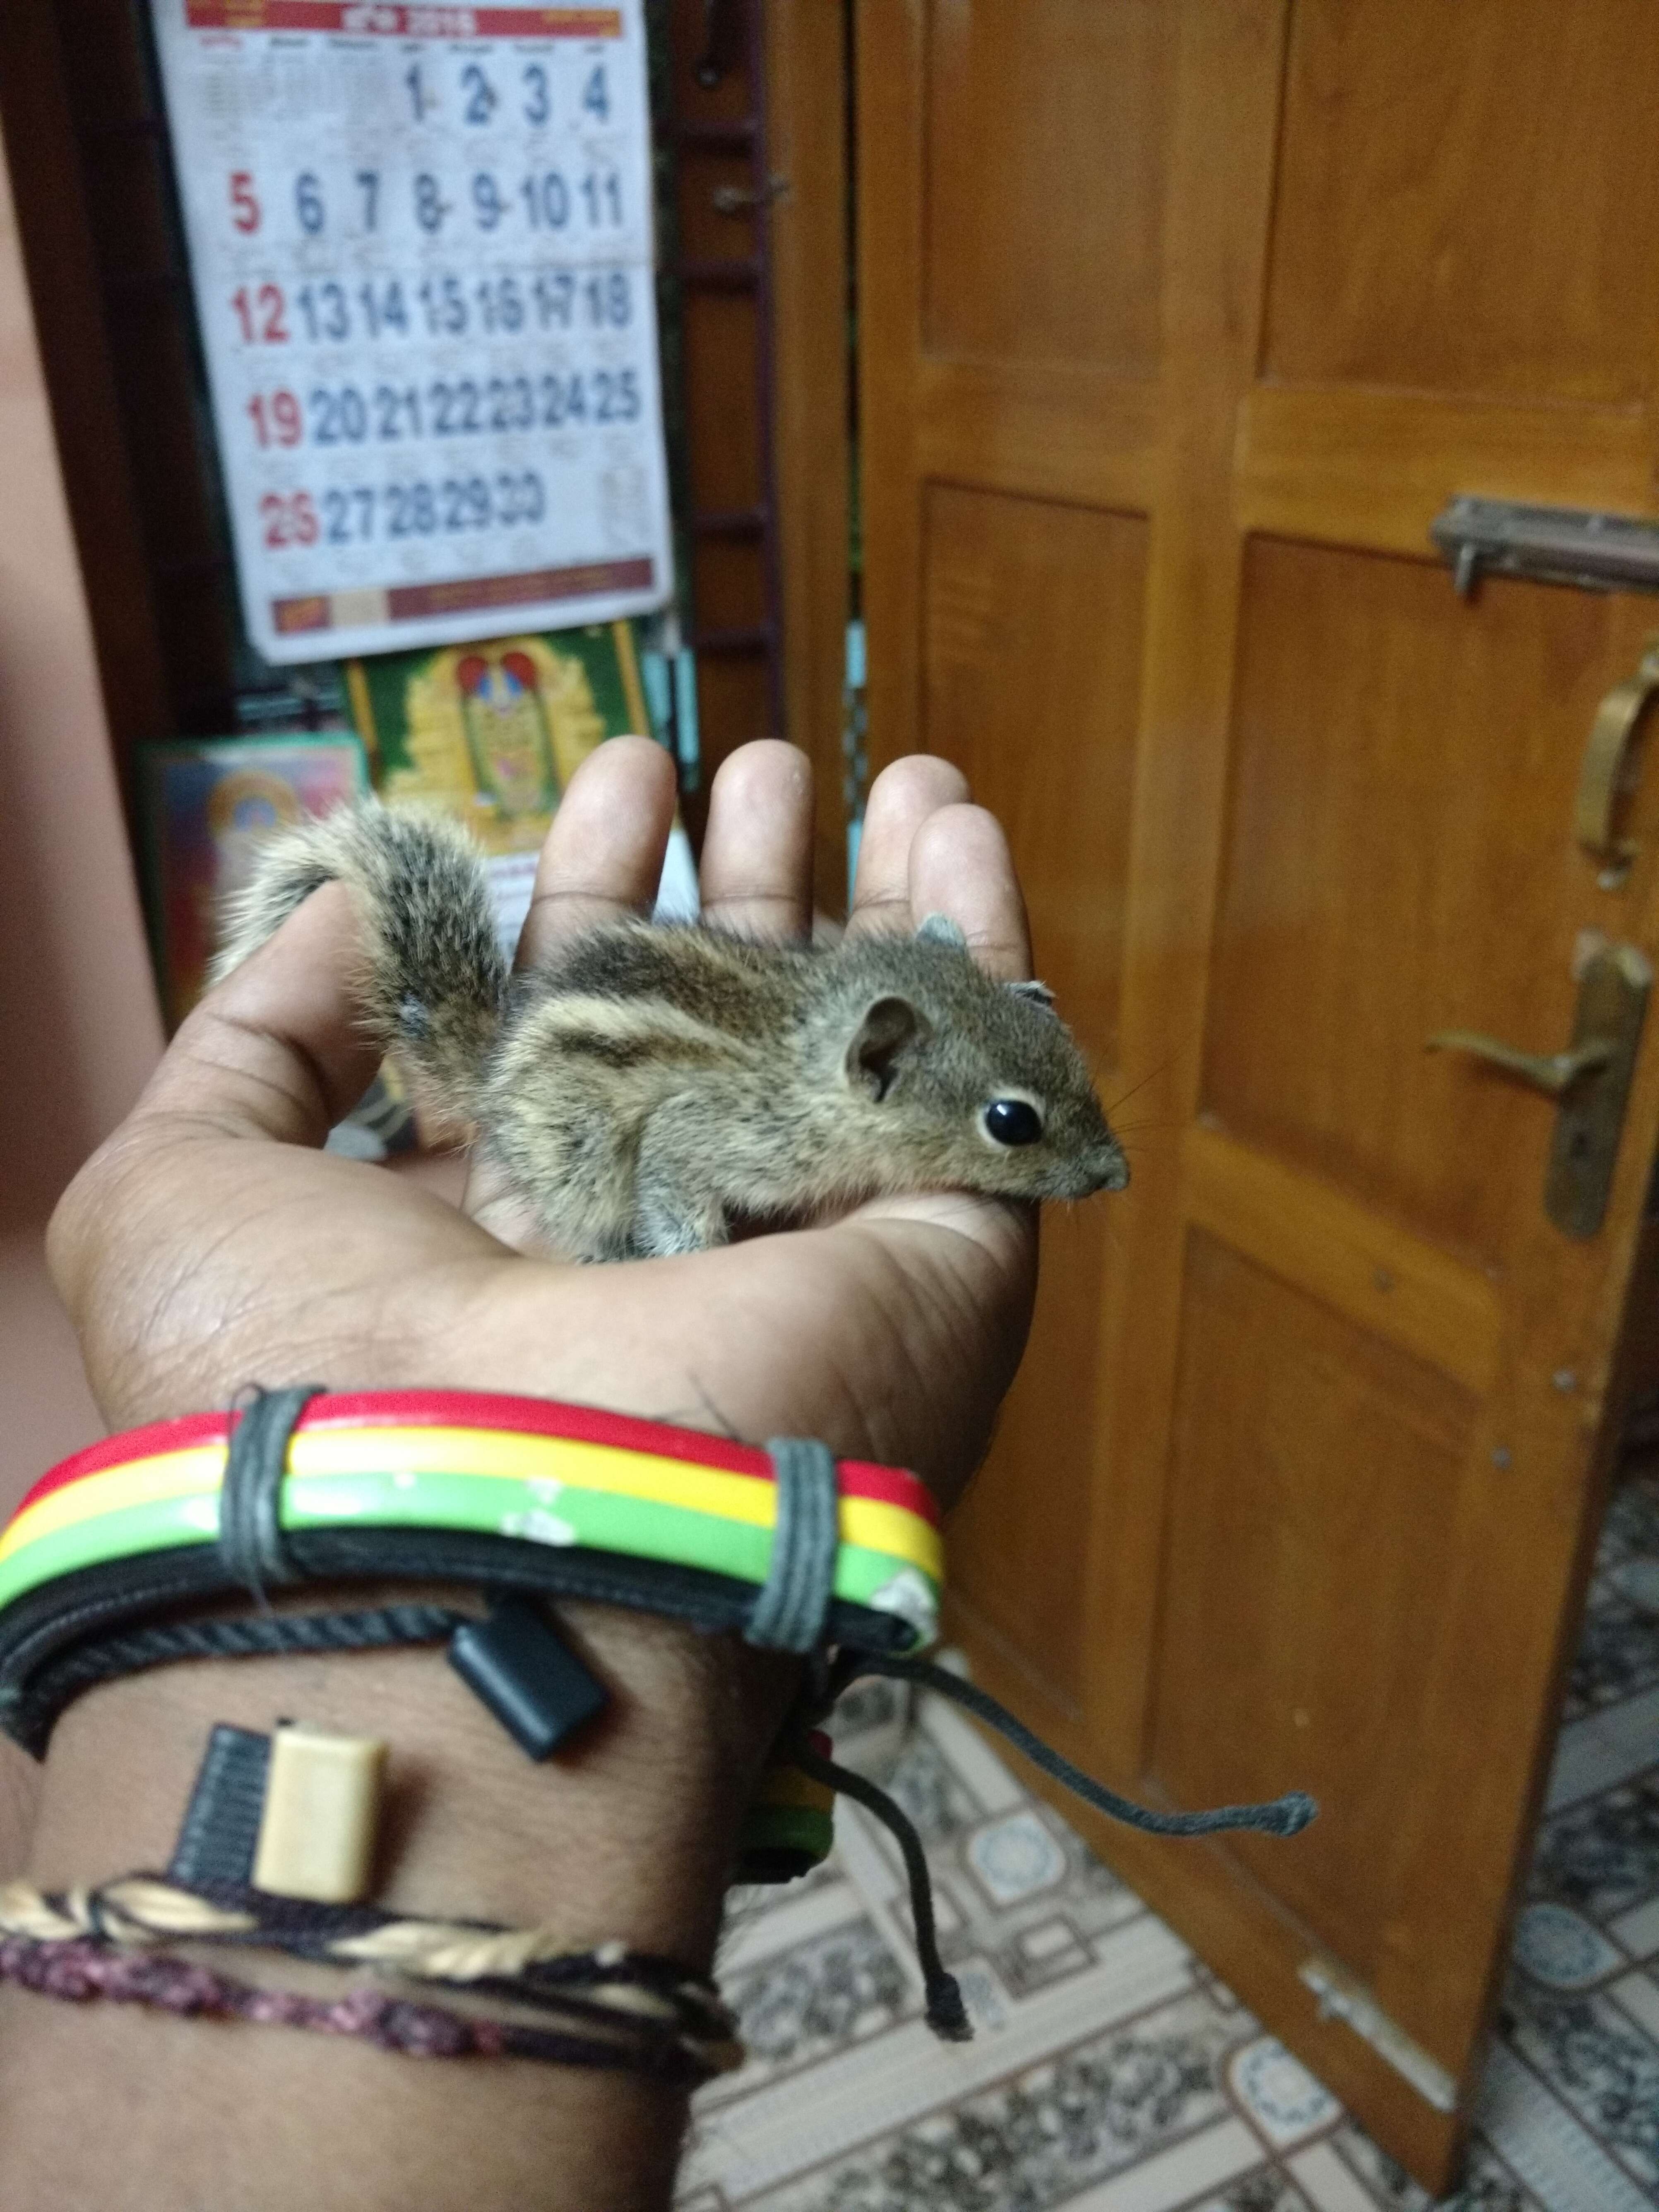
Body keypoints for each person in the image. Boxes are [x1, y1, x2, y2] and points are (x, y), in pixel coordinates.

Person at [0, 736, 1039, 2210]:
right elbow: (680, 1156)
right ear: (877, 1069)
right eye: (1016, 1130)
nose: (1079, 1173)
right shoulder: (789, 1109)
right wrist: (673, 1278)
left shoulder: (854, 1068)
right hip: (581, 1121)